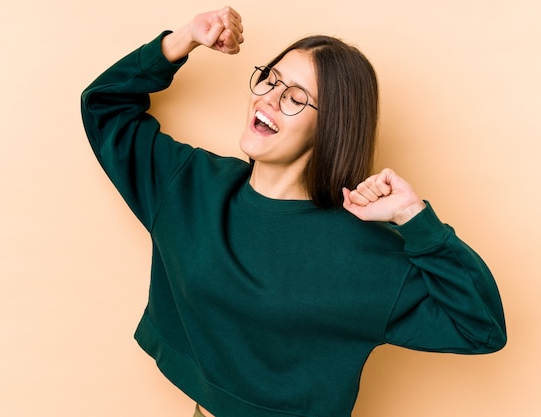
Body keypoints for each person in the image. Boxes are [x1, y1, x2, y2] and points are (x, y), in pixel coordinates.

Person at [81, 6, 506, 417]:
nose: (269, 99)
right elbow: (103, 107)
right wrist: (184, 38)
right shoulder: (189, 185)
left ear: (331, 127)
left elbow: (481, 327)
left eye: (296, 98)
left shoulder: (364, 249)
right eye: (271, 79)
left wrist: (415, 218)